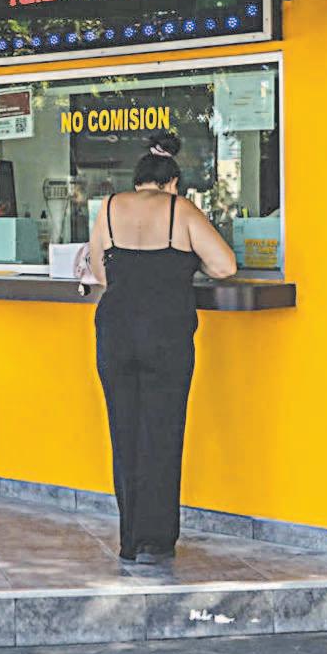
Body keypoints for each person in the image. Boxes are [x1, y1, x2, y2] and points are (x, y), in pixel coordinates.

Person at [84, 132, 237, 566]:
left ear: (138, 180)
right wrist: (186, 264)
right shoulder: (180, 209)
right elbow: (225, 266)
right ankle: (156, 541)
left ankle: (129, 539)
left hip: (115, 332)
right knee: (163, 432)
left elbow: (100, 271)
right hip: (165, 335)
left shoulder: (109, 207)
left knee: (124, 433)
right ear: (172, 182)